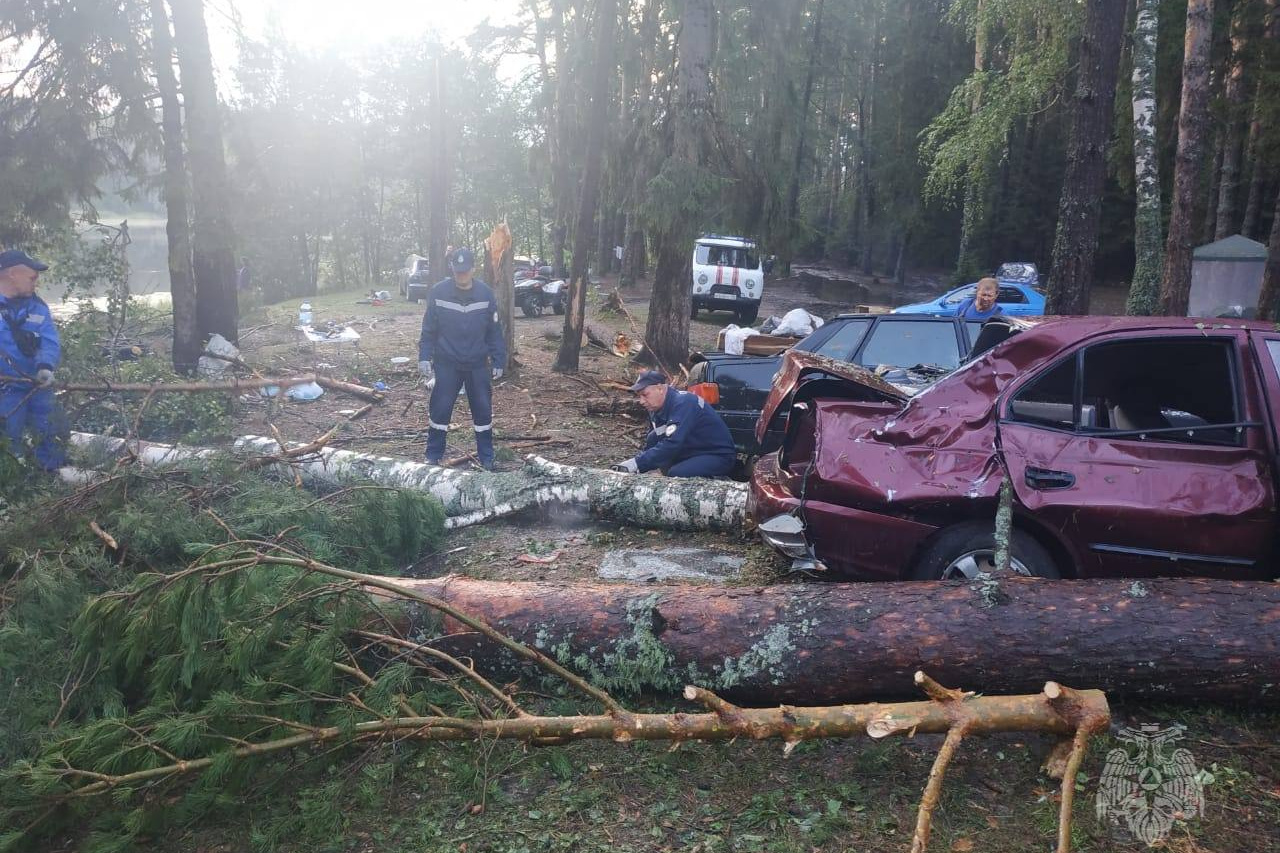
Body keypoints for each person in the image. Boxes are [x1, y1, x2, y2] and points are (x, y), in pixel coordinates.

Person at [418, 247, 507, 470]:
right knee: (440, 409)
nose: (461, 276)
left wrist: (498, 359)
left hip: (477, 364)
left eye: (465, 271)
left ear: (473, 269)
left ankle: (487, 457)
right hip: (447, 363)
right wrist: (424, 356)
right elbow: (429, 329)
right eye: (458, 272)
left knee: (483, 411)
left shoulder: (486, 294)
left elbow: (494, 331)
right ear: (452, 269)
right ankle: (433, 455)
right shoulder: (438, 293)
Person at [0, 249, 64, 470]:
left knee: (50, 429)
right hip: (5, 388)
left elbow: (49, 341)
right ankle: (13, 483)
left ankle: (51, 475)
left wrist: (45, 366)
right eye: (32, 277)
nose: (36, 283)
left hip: (37, 385)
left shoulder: (37, 307)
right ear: (12, 274)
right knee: (9, 436)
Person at [612, 371, 736, 478]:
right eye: (639, 396)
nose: (642, 401)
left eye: (645, 395)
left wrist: (635, 464)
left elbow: (672, 444)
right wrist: (637, 468)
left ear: (660, 388)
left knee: (677, 474)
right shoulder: (656, 408)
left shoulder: (684, 403)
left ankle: (717, 484)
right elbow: (657, 442)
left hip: (717, 455)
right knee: (652, 437)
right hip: (691, 450)